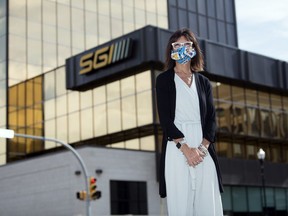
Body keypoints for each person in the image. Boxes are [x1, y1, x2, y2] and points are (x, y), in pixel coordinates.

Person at [156, 28, 224, 216]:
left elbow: (211, 119)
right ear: (171, 50)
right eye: (177, 45)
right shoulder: (163, 80)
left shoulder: (203, 82)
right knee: (181, 202)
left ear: (194, 49)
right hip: (176, 144)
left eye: (187, 44)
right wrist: (186, 149)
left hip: (203, 148)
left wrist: (201, 149)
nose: (182, 49)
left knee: (207, 202)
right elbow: (165, 119)